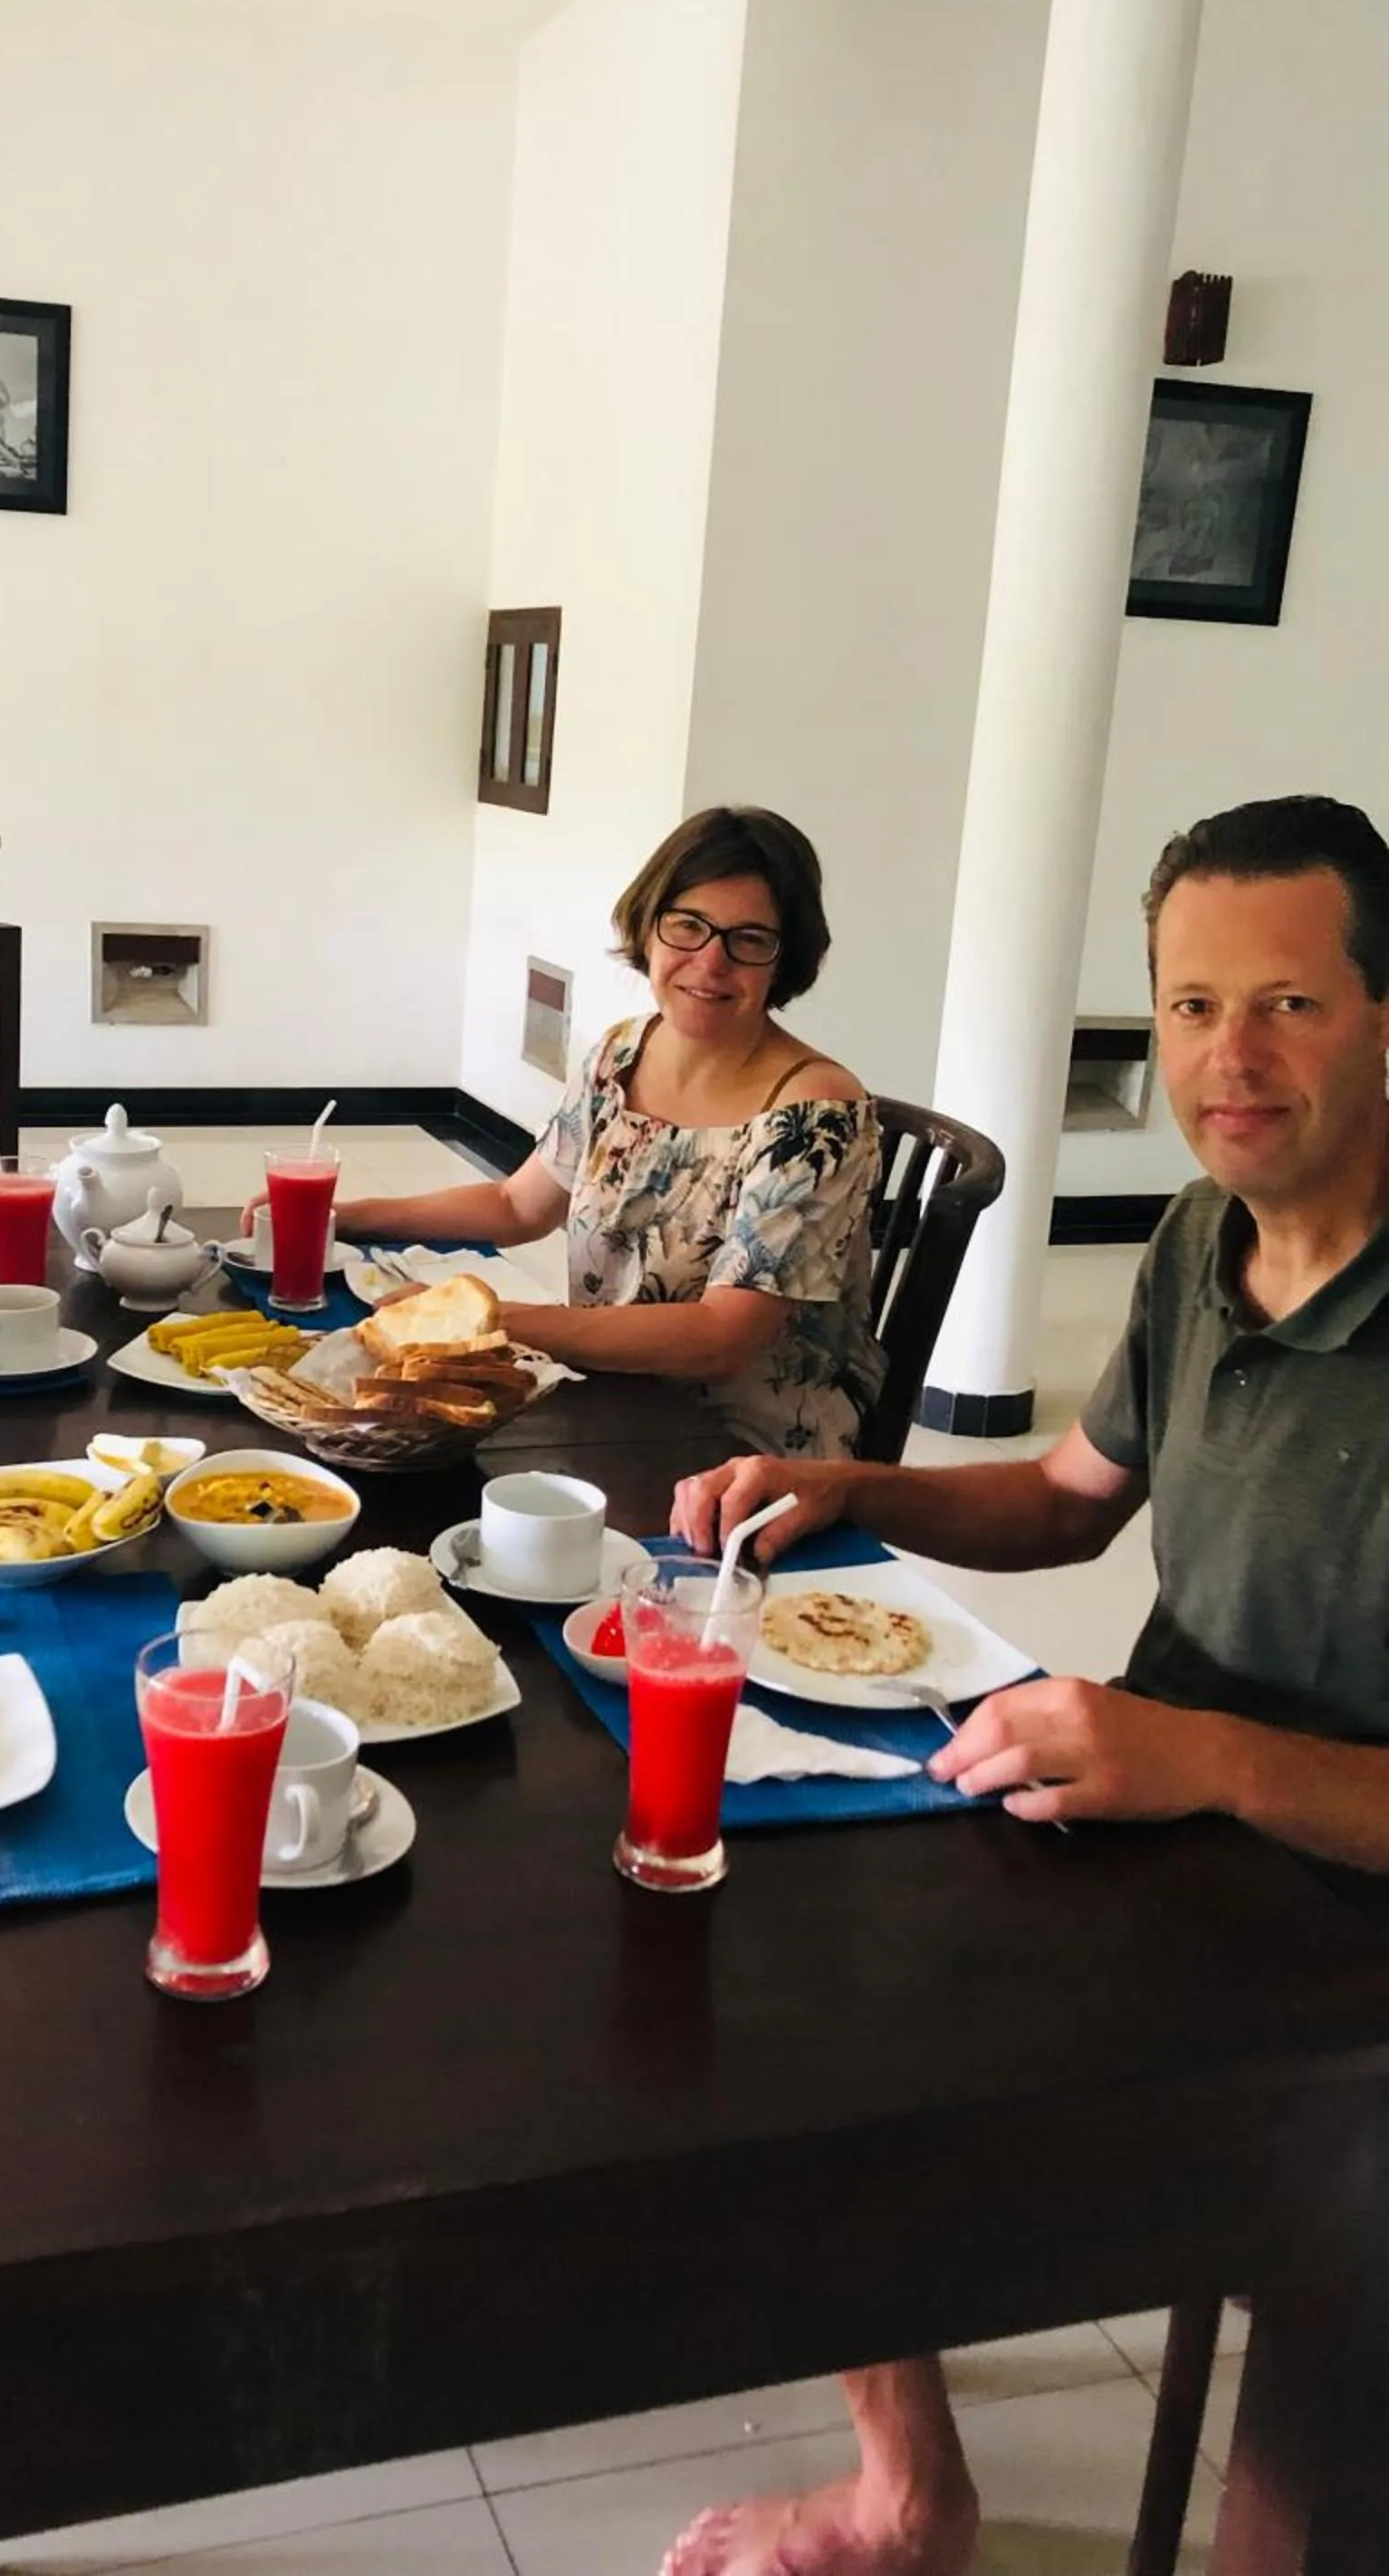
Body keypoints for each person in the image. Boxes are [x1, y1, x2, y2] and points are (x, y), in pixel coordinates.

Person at [661, 792, 1389, 2576]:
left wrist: (1207, 1755)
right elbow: (1071, 1501)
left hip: (1342, 1914)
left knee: (1336, 2297)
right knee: (785, 1977)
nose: (1228, 1058)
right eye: (1191, 1005)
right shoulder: (1200, 1245)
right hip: (1183, 1832)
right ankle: (909, 2494)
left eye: (1289, 1005)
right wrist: (856, 1489)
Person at [334, 806, 885, 1457]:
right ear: (648, 927)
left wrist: (477, 1320)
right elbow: (517, 1206)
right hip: (607, 1399)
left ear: (786, 959)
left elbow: (722, 1339)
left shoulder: (815, 1112)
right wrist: (345, 1218)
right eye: (688, 926)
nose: (711, 962)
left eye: (750, 939)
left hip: (745, 1455)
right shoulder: (622, 1053)